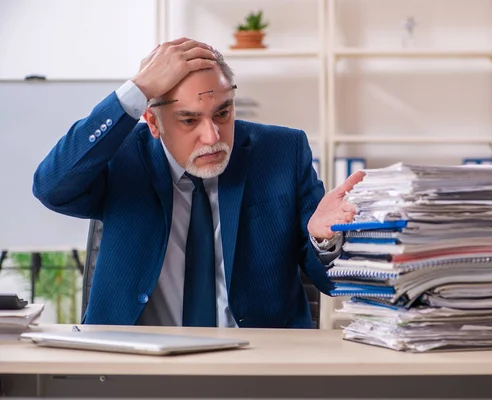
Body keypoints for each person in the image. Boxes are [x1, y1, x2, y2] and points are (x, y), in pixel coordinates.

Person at [32, 38, 365, 328]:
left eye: (222, 113)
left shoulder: (281, 152)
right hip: (134, 363)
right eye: (189, 120)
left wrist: (325, 240)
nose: (212, 136)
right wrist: (136, 90)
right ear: (152, 121)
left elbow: (331, 281)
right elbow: (51, 187)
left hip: (259, 363)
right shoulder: (121, 156)